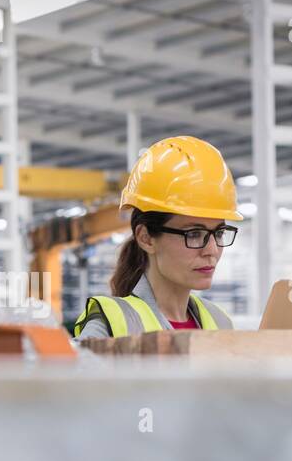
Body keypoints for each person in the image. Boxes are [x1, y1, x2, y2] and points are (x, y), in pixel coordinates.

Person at [73, 136, 242, 339]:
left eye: (219, 233)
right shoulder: (110, 324)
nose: (212, 250)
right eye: (194, 234)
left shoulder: (220, 322)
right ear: (146, 238)